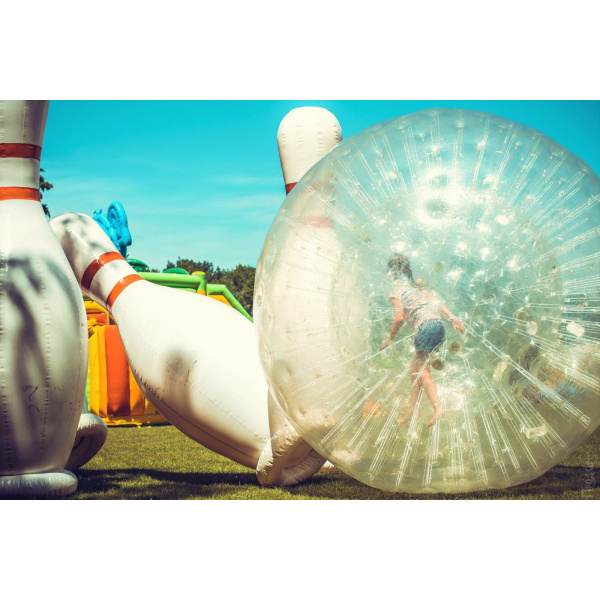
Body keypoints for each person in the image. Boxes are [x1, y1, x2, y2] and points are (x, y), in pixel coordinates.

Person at [379, 253, 464, 426]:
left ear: (392, 274)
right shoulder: (417, 287)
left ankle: (438, 407)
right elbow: (436, 303)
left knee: (423, 372)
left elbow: (399, 318)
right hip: (438, 325)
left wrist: (389, 339)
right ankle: (413, 409)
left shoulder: (396, 291)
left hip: (424, 328)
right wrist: (453, 318)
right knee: (415, 369)